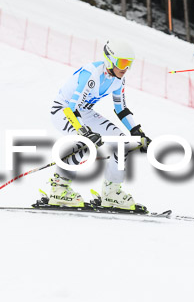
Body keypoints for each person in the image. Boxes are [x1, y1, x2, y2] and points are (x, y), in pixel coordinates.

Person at [47, 40, 152, 209]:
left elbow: (121, 109)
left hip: (85, 112)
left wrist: (137, 132)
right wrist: (84, 132)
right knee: (84, 142)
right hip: (64, 110)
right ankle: (59, 189)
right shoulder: (92, 74)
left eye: (129, 64)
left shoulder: (118, 80)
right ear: (110, 60)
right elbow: (72, 108)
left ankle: (111, 192)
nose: (126, 68)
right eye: (123, 63)